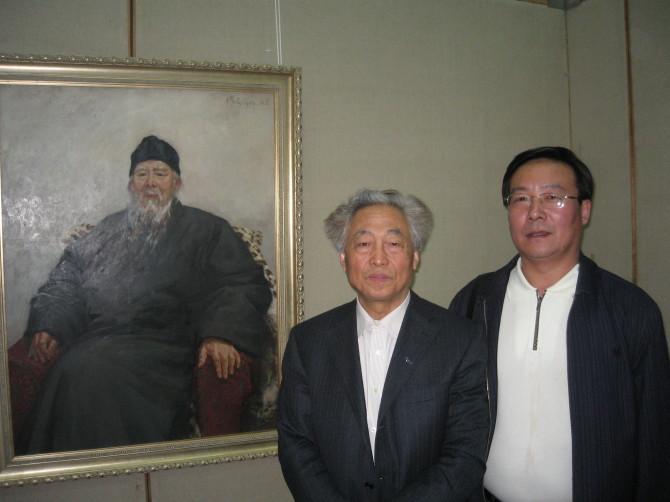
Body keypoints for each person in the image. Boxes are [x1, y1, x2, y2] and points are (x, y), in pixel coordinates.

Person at [20, 135, 272, 453]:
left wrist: (221, 333)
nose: (150, 182)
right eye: (142, 174)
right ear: (131, 185)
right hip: (100, 339)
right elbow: (66, 279)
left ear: (176, 183)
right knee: (77, 367)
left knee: (86, 370)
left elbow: (241, 283)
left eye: (160, 173)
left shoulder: (207, 229)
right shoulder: (107, 230)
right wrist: (50, 323)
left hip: (166, 349)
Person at [449, 146, 670, 502]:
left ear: (584, 210)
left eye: (553, 197)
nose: (535, 212)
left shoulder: (630, 310)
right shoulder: (476, 300)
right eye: (521, 198)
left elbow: (655, 438)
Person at [278, 188, 489, 501]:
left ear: (415, 257)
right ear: (343, 258)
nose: (378, 259)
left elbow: (466, 452)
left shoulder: (460, 339)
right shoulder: (308, 342)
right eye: (363, 244)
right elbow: (296, 444)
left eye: (394, 243)